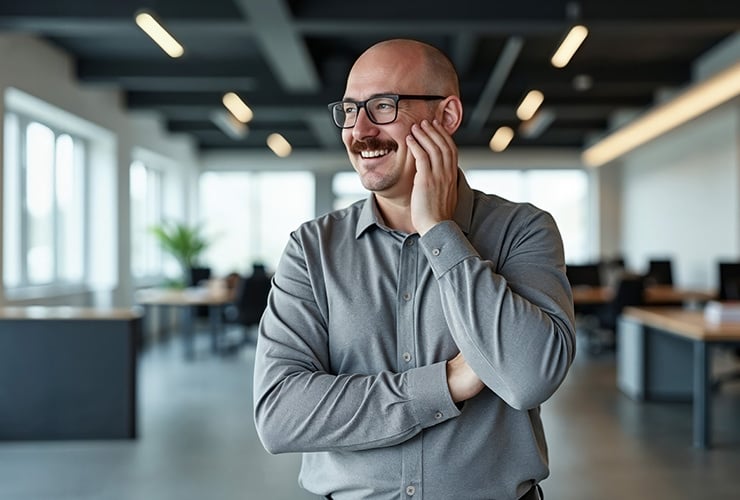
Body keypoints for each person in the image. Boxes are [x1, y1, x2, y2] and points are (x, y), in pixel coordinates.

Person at [253, 38, 576, 500]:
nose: (359, 130)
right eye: (349, 109)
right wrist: (446, 383)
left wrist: (440, 231)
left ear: (446, 117)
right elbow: (280, 417)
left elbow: (527, 378)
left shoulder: (522, 230)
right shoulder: (313, 249)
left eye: (382, 106)